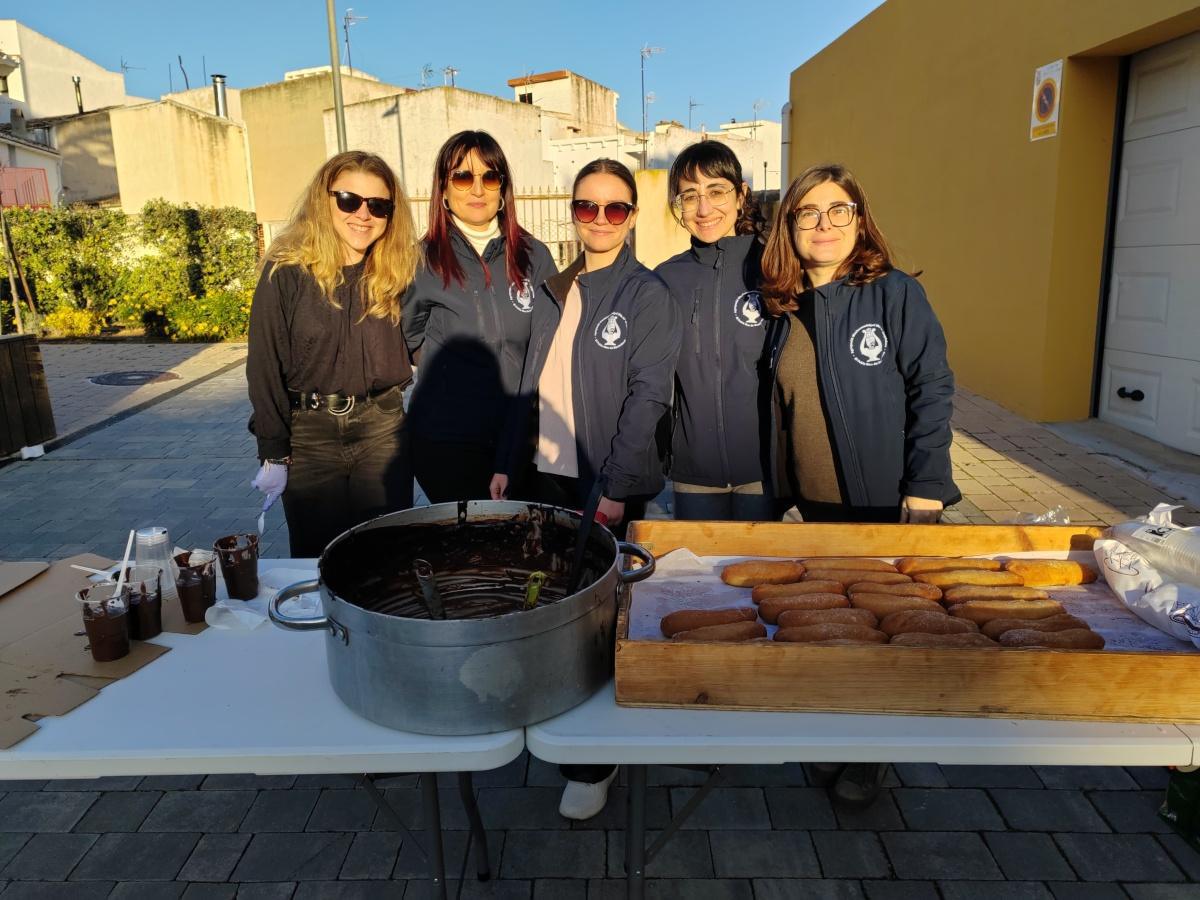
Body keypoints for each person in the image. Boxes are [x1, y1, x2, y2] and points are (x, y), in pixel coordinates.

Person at [760, 162, 959, 807]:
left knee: (882, 624)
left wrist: (926, 484)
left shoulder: (894, 294)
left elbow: (933, 388)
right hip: (813, 501)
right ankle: (837, 728)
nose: (824, 224)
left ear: (859, 219)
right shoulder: (784, 304)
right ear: (789, 225)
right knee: (834, 623)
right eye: (808, 212)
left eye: (838, 210)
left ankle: (873, 752)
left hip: (879, 497)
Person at [490, 158, 682, 819]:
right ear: (572, 212)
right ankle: (559, 719)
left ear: (632, 216)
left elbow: (649, 396)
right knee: (552, 607)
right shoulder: (556, 286)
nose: (600, 219)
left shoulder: (646, 294)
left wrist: (617, 487)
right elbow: (528, 380)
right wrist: (506, 461)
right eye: (587, 206)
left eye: (615, 207)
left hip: (603, 484)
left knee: (600, 621)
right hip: (546, 474)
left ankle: (594, 761)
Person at [247, 150, 419, 558]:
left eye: (378, 205)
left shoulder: (399, 271)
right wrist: (273, 448)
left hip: (382, 430)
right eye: (348, 200)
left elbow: (428, 338)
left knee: (385, 557)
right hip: (310, 437)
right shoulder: (287, 271)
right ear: (323, 200)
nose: (363, 214)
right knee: (318, 560)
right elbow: (264, 364)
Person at [402, 130, 559, 503]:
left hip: (522, 438)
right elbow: (410, 337)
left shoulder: (534, 256)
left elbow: (550, 341)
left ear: (502, 188)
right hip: (447, 444)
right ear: (443, 189)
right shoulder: (419, 261)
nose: (477, 189)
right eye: (462, 176)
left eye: (489, 177)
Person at [655, 142, 773, 520]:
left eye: (717, 191)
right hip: (695, 474)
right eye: (690, 196)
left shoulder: (774, 269)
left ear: (741, 196)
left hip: (764, 472)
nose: (704, 209)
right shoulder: (666, 279)